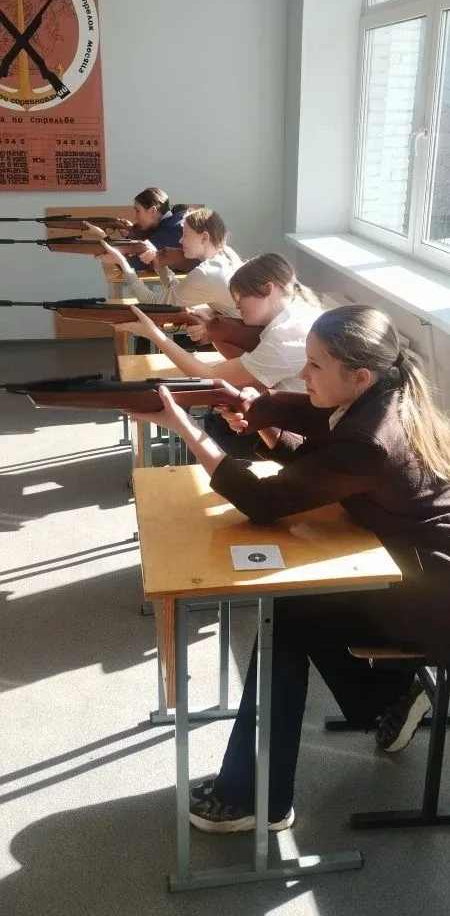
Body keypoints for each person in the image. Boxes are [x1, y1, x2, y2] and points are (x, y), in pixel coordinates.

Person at [123, 304, 450, 832]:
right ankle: (385, 697)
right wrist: (264, 423)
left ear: (358, 376)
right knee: (295, 612)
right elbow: (318, 470)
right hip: (414, 563)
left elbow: (265, 500)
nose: (304, 373)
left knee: (289, 619)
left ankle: (256, 796)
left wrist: (181, 424)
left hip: (431, 594)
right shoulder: (382, 398)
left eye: (315, 364)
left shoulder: (369, 435)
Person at [120, 253, 322, 390]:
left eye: (242, 297)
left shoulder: (283, 338)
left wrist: (155, 335)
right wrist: (212, 331)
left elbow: (209, 374)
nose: (237, 304)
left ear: (268, 289)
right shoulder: (301, 310)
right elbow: (244, 363)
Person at [87, 207, 242, 356]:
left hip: (242, 345)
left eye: (185, 235)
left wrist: (122, 263)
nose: (180, 240)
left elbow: (153, 304)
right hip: (240, 334)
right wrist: (158, 262)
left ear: (204, 237)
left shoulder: (206, 274)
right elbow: (178, 293)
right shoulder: (226, 253)